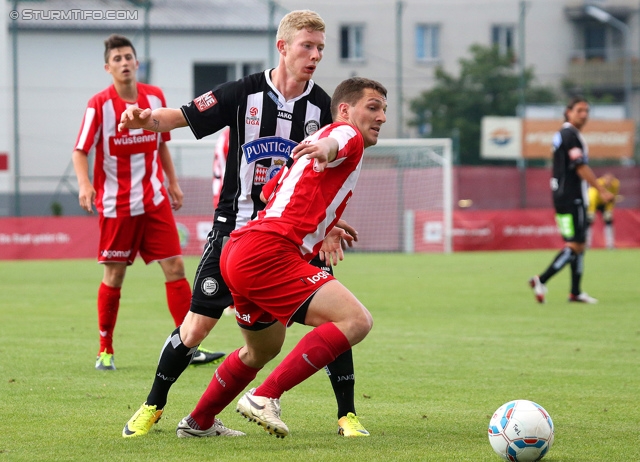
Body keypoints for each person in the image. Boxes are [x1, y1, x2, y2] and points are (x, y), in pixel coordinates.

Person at [120, 10, 369, 438]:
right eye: (307, 46)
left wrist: (328, 225)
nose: (315, 56)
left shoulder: (322, 106)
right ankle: (151, 407)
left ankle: (346, 414)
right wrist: (146, 120)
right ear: (283, 47)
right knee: (196, 327)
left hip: (291, 243)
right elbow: (180, 116)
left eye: (321, 49)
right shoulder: (243, 93)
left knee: (303, 331)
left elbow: (319, 179)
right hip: (234, 232)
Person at [177, 76, 387, 439]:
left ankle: (199, 422)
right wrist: (330, 148)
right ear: (345, 109)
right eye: (373, 107)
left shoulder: (307, 143)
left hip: (240, 249)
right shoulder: (345, 134)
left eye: (384, 109)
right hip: (268, 253)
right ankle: (264, 396)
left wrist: (325, 226)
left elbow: (278, 192)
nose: (382, 116)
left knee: (261, 350)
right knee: (356, 320)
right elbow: (339, 141)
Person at [72, 34, 223, 371]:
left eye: (129, 57)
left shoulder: (154, 97)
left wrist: (171, 182)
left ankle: (189, 345)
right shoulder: (99, 105)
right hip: (116, 205)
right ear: (108, 67)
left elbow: (162, 143)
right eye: (118, 59)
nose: (124, 62)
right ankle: (105, 349)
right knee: (114, 277)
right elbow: (80, 149)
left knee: (176, 268)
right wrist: (85, 184)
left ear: (137, 63)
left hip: (154, 200)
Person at [529, 96, 614, 304]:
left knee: (578, 243)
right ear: (568, 112)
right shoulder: (570, 135)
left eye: (586, 111)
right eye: (579, 110)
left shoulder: (562, 134)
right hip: (572, 196)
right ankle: (541, 279)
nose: (584, 115)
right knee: (576, 244)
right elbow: (580, 166)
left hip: (560, 195)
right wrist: (601, 190)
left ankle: (575, 292)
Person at [587, 172, 620, 250]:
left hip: (605, 203)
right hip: (594, 202)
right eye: (607, 180)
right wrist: (591, 211)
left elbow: (612, 197)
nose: (609, 182)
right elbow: (592, 197)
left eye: (610, 180)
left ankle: (610, 244)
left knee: (608, 221)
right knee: (589, 222)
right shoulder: (598, 183)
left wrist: (609, 209)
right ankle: (586, 245)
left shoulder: (616, 184)